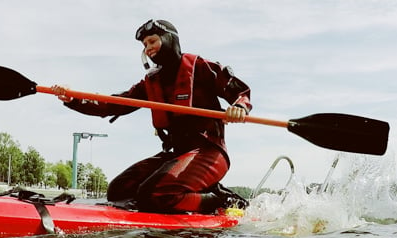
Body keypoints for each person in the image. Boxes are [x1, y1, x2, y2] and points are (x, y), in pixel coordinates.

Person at [51, 19, 252, 214]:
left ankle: (219, 200)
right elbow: (114, 104)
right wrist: (73, 99)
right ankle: (167, 203)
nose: (148, 48)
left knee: (155, 194)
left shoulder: (200, 68)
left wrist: (240, 107)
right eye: (145, 44)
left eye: (152, 41)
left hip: (209, 153)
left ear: (169, 39)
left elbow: (239, 92)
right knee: (118, 190)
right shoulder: (151, 82)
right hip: (175, 154)